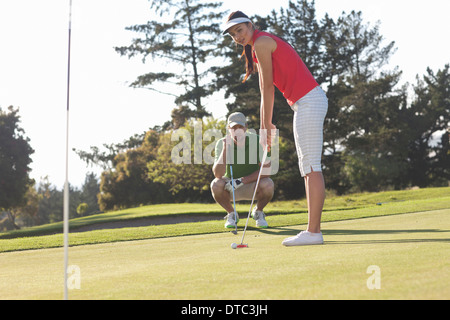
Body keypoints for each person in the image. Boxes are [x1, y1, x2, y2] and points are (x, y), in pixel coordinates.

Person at [222, 11, 328, 246]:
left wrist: (265, 126)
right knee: (307, 166)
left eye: (239, 30)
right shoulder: (257, 47)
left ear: (250, 26)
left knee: (311, 166)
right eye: (232, 34)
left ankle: (313, 232)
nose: (237, 36)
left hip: (309, 101)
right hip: (304, 103)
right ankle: (313, 231)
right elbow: (263, 90)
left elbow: (268, 89)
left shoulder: (261, 42)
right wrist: (265, 126)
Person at [211, 112, 274, 229]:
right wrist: (225, 149)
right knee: (215, 184)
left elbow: (267, 170)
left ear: (246, 127)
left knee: (269, 184)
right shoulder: (221, 143)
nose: (238, 131)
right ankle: (232, 214)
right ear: (228, 129)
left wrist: (242, 181)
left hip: (253, 185)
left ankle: (258, 212)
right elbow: (218, 174)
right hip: (230, 186)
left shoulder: (258, 141)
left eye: (240, 127)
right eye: (234, 128)